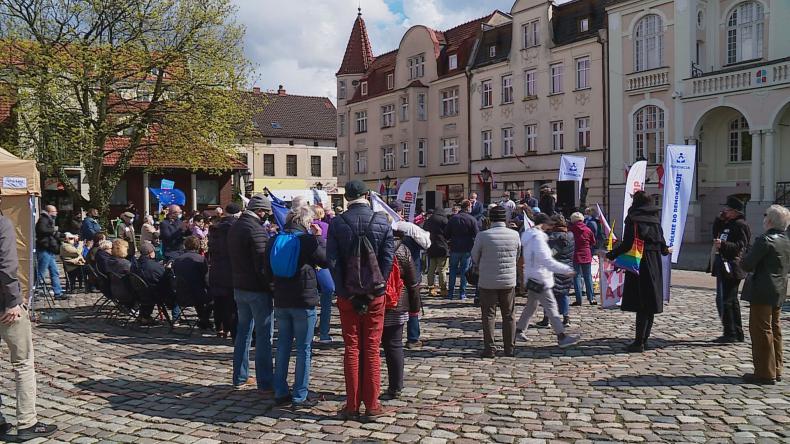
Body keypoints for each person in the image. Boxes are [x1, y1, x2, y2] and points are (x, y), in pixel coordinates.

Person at [326, 180, 394, 419]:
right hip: (375, 295)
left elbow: (332, 262)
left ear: (347, 198)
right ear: (367, 195)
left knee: (352, 348)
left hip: (348, 295)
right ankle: (372, 405)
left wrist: (344, 291)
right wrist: (378, 286)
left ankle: (352, 405)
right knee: (372, 349)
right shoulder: (382, 221)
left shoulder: (337, 223)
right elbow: (388, 259)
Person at [0, 198, 58, 439]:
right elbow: (6, 265)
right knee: (23, 362)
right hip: (5, 305)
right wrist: (13, 301)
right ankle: (27, 422)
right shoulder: (2, 223)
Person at [264, 206, 329, 408]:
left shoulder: (274, 239)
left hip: (281, 300)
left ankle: (280, 391)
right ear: (306, 222)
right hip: (303, 299)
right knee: (303, 348)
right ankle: (300, 394)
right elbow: (325, 261)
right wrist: (318, 238)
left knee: (282, 346)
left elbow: (267, 269)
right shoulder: (307, 240)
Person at [606, 191, 670, 352]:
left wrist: (611, 254)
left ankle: (638, 342)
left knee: (641, 303)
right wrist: (664, 250)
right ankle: (645, 340)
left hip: (639, 262)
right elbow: (663, 245)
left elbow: (627, 244)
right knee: (650, 302)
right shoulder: (655, 218)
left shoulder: (633, 218)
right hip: (654, 262)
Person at [227, 194, 275, 392]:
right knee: (264, 336)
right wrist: (270, 286)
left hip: (239, 286)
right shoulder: (255, 229)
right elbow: (262, 263)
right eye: (267, 212)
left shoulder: (236, 226)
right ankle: (265, 381)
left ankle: (240, 377)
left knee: (243, 333)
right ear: (260, 211)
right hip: (257, 289)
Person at [740, 205, 790, 384]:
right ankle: (776, 368)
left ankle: (764, 373)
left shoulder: (765, 239)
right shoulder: (785, 240)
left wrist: (744, 256)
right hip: (779, 289)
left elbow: (747, 264)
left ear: (769, 220)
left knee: (761, 330)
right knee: (775, 329)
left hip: (762, 289)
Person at [515, 213, 579, 348]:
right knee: (551, 307)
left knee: (531, 306)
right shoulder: (538, 238)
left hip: (532, 276)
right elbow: (546, 260)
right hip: (540, 278)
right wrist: (565, 270)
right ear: (543, 224)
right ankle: (562, 336)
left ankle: (519, 331)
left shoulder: (528, 236)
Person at [471, 206, 521, 358]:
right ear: (505, 218)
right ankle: (509, 348)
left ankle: (490, 348)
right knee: (509, 315)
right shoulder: (514, 235)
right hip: (508, 280)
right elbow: (517, 255)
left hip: (487, 280)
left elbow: (474, 256)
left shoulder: (483, 236)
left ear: (490, 219)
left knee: (488, 315)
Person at [381, 225, 420, 399]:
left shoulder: (371, 245)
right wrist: (414, 309)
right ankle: (396, 386)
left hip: (375, 301)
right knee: (394, 345)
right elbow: (413, 282)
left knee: (370, 347)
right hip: (397, 302)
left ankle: (367, 388)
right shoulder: (402, 249)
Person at [711, 196, 751, 343]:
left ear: (735, 211)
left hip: (733, 267)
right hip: (723, 265)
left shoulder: (741, 225)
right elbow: (716, 234)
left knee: (728, 300)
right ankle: (734, 331)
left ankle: (731, 333)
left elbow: (741, 246)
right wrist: (718, 220)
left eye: (727, 209)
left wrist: (723, 245)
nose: (725, 211)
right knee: (728, 300)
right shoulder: (727, 223)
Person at [208, 203, 240, 339]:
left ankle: (220, 328)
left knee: (218, 301)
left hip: (216, 268)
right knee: (231, 303)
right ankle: (231, 329)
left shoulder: (215, 227)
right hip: (231, 269)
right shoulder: (236, 227)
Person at [171, 236, 212, 329]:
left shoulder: (177, 259)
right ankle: (204, 319)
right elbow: (206, 280)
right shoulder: (200, 259)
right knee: (213, 298)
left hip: (180, 294)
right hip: (196, 295)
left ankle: (201, 319)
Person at [444, 199, 478, 300]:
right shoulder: (472, 219)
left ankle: (450, 293)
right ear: (468, 207)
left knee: (453, 270)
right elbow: (476, 234)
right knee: (465, 271)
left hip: (455, 247)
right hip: (467, 248)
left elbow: (446, 234)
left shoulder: (453, 218)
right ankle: (462, 293)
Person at [311, 205, 335, 344]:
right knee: (326, 303)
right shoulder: (326, 226)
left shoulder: (307, 227)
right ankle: (324, 334)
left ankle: (310, 332)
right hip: (324, 267)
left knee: (311, 304)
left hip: (310, 267)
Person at [132, 241, 166, 326]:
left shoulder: (135, 264)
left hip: (137, 293)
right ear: (150, 254)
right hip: (152, 294)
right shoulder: (155, 266)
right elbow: (164, 278)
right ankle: (175, 319)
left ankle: (143, 316)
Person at [35, 205, 65, 300]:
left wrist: (62, 235)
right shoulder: (43, 219)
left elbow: (51, 234)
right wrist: (54, 230)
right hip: (44, 249)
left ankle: (58, 292)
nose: (56, 213)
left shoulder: (49, 220)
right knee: (41, 272)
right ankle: (34, 292)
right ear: (49, 212)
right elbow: (42, 230)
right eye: (54, 211)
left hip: (49, 249)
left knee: (54, 272)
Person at [568, 212, 597, 306]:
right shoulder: (588, 230)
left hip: (575, 254)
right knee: (588, 277)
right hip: (586, 254)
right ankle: (591, 298)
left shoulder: (571, 230)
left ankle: (579, 299)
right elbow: (593, 242)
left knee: (576, 277)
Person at [423, 208, 449, 297]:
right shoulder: (444, 220)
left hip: (431, 246)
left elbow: (424, 231)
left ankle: (431, 289)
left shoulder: (428, 220)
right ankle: (443, 290)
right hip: (442, 246)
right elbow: (448, 233)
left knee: (431, 269)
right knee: (442, 269)